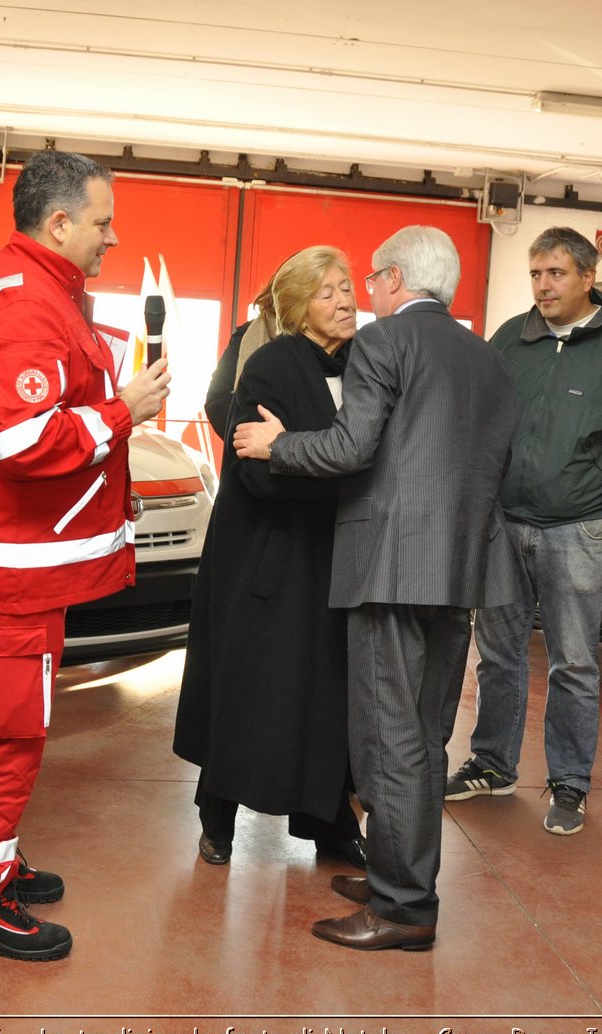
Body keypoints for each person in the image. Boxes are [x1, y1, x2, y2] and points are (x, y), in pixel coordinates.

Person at [234, 225, 524, 952]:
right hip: (461, 572)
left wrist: (277, 445)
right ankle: (404, 875)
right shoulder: (488, 359)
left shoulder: (385, 342)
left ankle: (402, 907)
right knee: (424, 738)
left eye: (369, 280)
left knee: (387, 739)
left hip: (391, 566)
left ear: (396, 279)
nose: (364, 294)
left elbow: (348, 446)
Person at [0, 150, 171, 962]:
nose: (113, 236)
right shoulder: (27, 302)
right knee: (3, 732)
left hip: (11, 563)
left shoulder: (38, 289)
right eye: (102, 222)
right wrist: (121, 410)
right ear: (58, 222)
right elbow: (27, 441)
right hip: (7, 570)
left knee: (0, 724)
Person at [450, 226, 602, 834]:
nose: (543, 286)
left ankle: (570, 783)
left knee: (574, 661)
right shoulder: (510, 341)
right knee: (497, 653)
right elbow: (481, 417)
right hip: (507, 522)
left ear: (587, 277)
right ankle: (491, 765)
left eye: (556, 274)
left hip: (582, 526)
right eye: (535, 274)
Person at [174, 245, 365, 870]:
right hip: (267, 561)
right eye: (326, 292)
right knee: (248, 692)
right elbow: (261, 477)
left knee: (328, 696)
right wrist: (344, 475)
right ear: (298, 308)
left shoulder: (367, 365)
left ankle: (330, 822)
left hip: (334, 559)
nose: (344, 300)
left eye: (346, 286)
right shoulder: (270, 367)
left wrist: (302, 454)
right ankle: (217, 818)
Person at [203, 278, 280, 438]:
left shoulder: (327, 340)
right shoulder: (245, 335)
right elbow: (216, 398)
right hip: (244, 450)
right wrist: (245, 435)